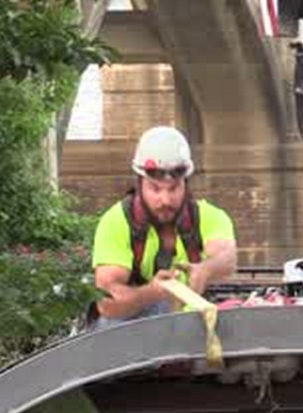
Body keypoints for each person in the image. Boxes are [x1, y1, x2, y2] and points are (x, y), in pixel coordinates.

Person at [89, 126, 237, 329]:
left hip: (191, 324)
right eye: (155, 189)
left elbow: (227, 257)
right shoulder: (116, 222)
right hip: (132, 327)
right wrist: (154, 292)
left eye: (174, 188)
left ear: (186, 183)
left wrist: (206, 269)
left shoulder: (209, 217)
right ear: (140, 184)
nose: (165, 200)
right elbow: (107, 304)